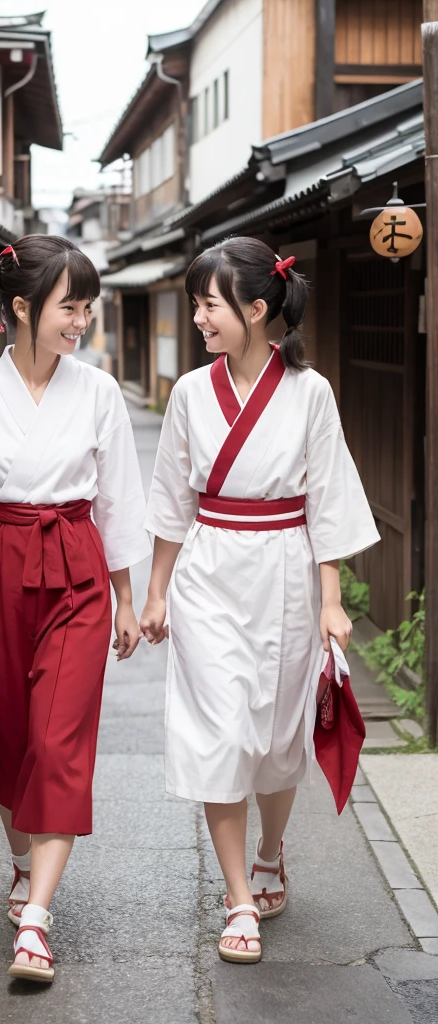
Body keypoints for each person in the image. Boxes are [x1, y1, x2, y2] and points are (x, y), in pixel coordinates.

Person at [0, 235, 150, 983]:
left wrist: (127, 599)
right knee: (11, 737)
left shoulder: (100, 391)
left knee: (58, 741)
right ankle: (20, 862)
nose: (82, 321)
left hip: (75, 565)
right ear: (22, 307)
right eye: (70, 306)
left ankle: (36, 922)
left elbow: (117, 499)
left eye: (88, 308)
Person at [139, 236, 379, 964]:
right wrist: (155, 592)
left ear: (255, 307)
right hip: (209, 570)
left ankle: (273, 850)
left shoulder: (310, 393)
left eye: (209, 305)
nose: (200, 319)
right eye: (197, 305)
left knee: (276, 739)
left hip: (286, 572)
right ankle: (239, 897)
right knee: (223, 735)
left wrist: (332, 600)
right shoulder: (188, 393)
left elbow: (328, 498)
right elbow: (172, 501)